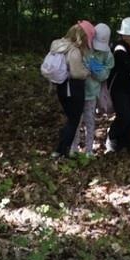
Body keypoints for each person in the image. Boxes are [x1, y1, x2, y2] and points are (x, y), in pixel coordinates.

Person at [47, 20, 94, 158]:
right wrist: (87, 72)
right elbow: (76, 73)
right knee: (74, 121)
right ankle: (61, 151)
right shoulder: (74, 51)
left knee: (70, 119)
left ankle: (61, 149)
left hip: (61, 86)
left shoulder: (58, 45)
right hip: (73, 88)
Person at [74, 22, 114, 155]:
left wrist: (97, 71)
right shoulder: (84, 48)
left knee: (90, 121)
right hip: (78, 92)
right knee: (76, 121)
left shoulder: (107, 55)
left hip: (92, 93)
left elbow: (105, 75)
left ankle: (89, 150)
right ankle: (73, 149)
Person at [106, 17, 130, 153]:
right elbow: (129, 66)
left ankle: (126, 143)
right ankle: (112, 137)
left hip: (129, 86)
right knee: (124, 115)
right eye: (125, 34)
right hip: (117, 86)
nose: (127, 36)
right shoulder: (119, 47)